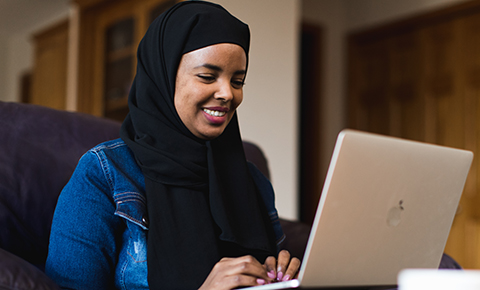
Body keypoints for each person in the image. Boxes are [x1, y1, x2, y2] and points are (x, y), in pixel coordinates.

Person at [45, 1, 300, 289]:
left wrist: (276, 275)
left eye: (238, 81)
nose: (228, 94)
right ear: (163, 77)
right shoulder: (104, 174)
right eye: (207, 76)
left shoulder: (251, 180)